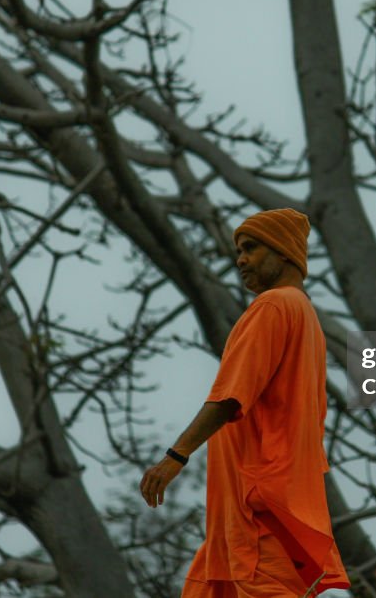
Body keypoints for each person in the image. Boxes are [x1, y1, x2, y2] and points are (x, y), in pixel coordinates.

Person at [140, 208, 350, 597]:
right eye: (239, 250)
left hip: (258, 512)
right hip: (235, 520)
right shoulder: (302, 314)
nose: (240, 259)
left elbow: (230, 397)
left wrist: (175, 456)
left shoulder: (273, 307)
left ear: (285, 251)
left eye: (251, 248)